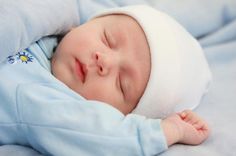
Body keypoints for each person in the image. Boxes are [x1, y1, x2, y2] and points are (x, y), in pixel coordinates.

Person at [0, 5, 211, 156]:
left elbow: (100, 135)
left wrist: (167, 131)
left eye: (121, 83)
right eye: (107, 39)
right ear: (80, 26)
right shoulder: (44, 29)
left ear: (117, 115)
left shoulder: (46, 103)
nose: (104, 61)